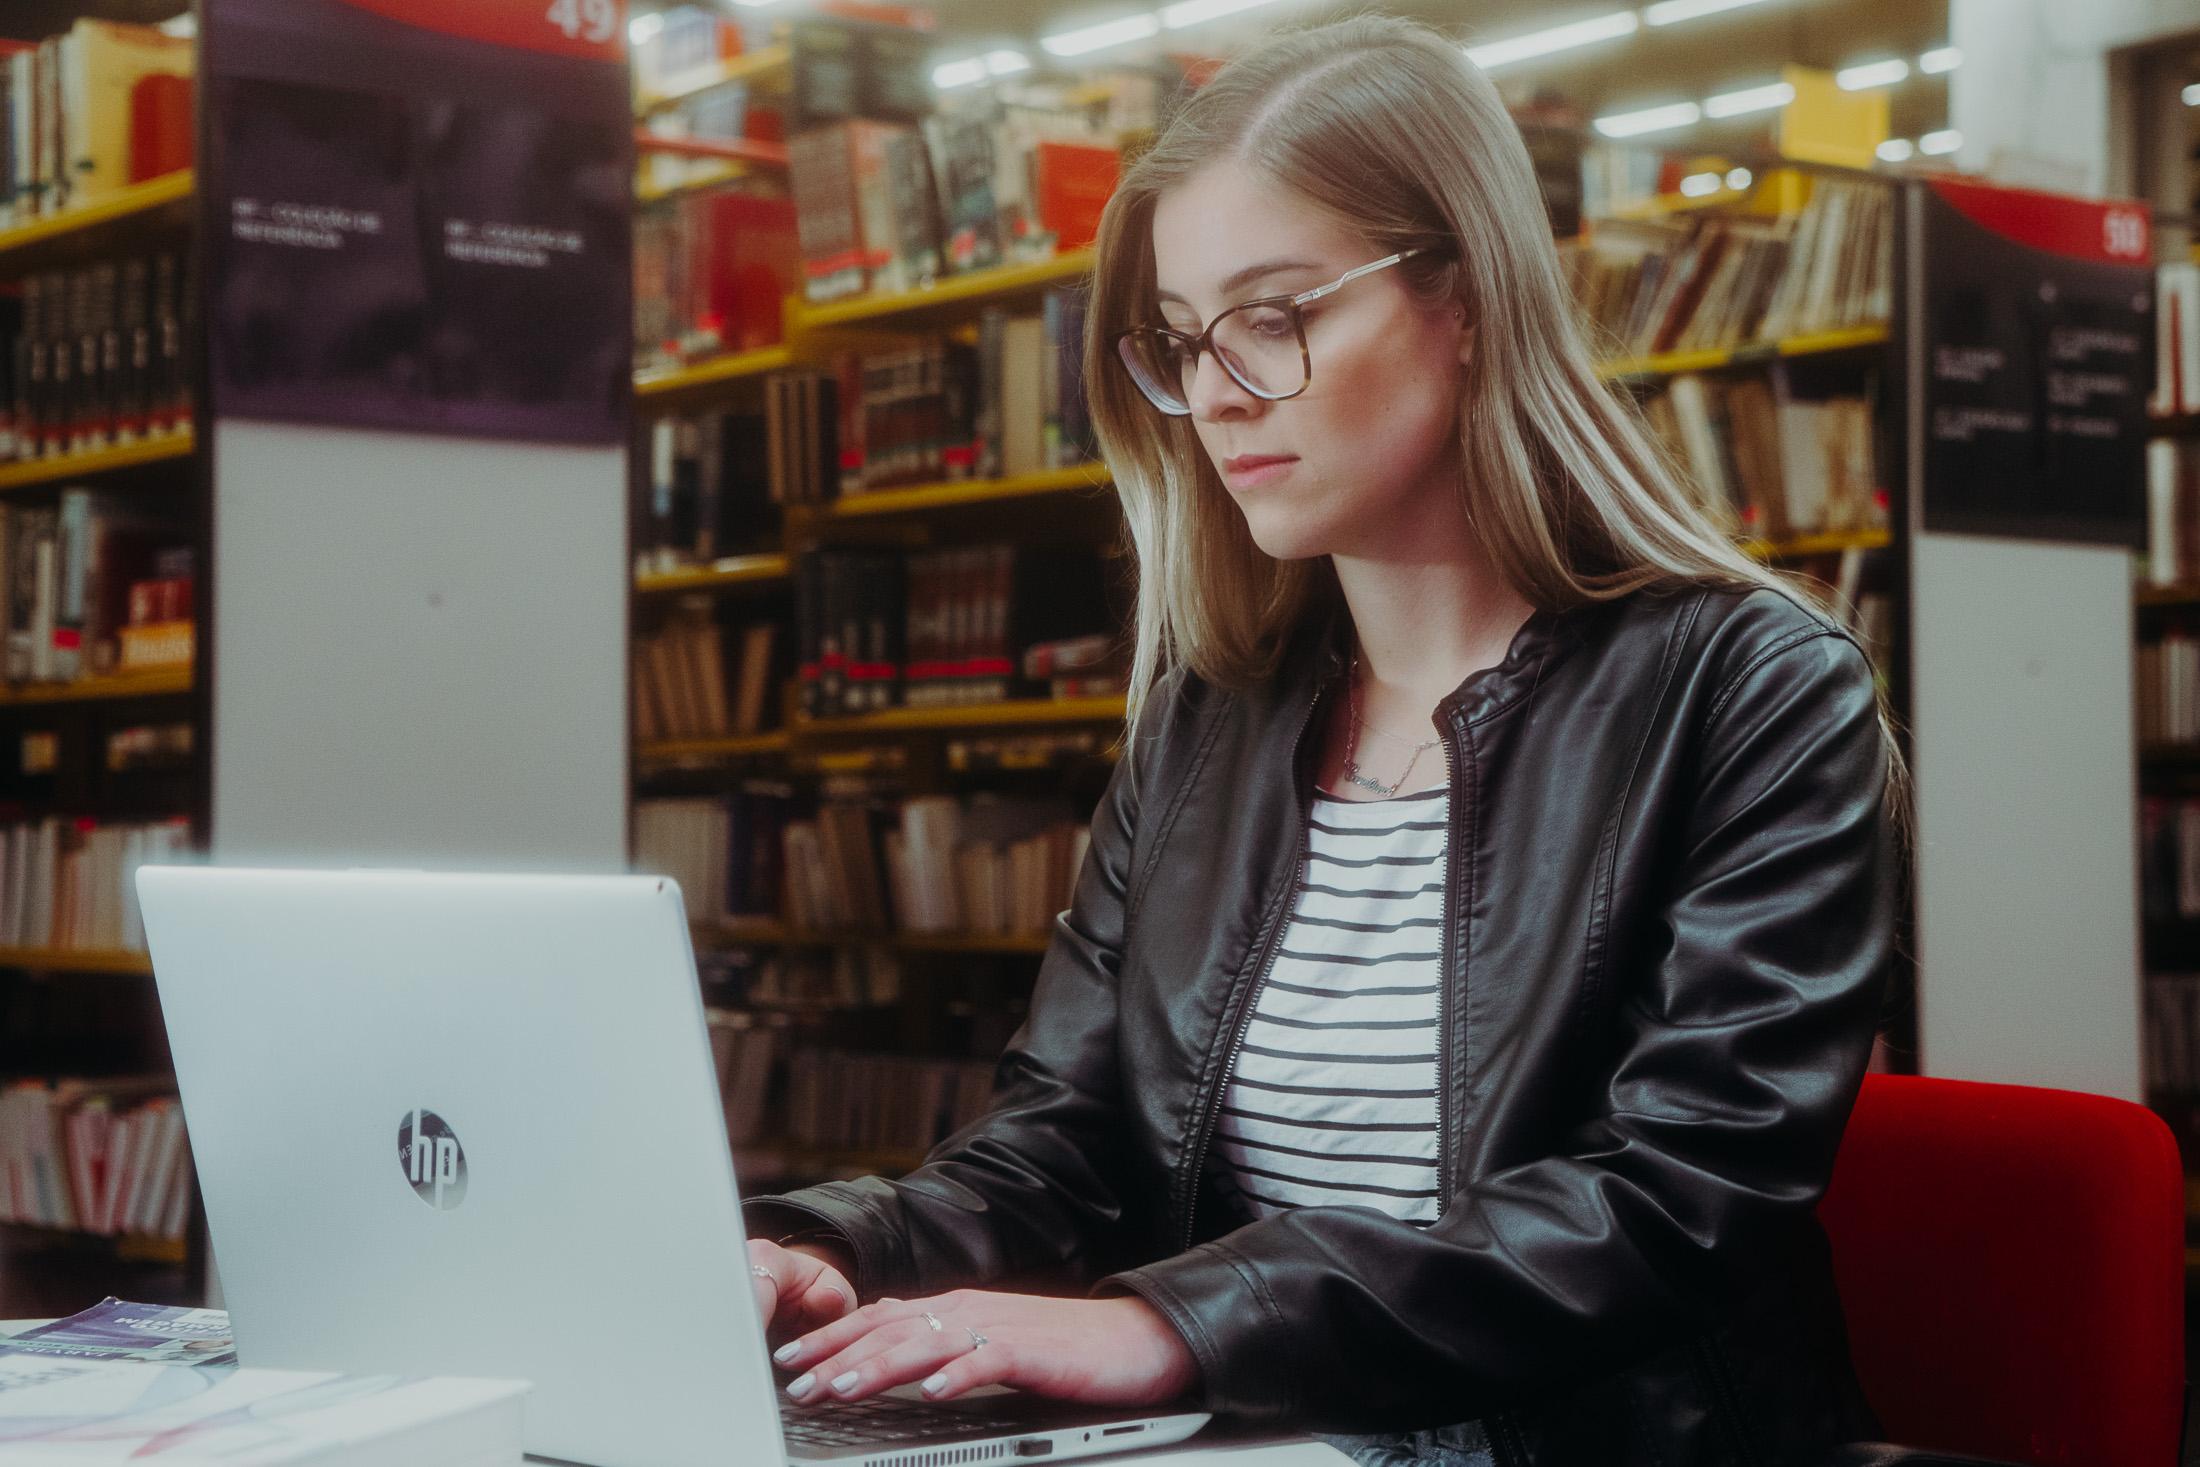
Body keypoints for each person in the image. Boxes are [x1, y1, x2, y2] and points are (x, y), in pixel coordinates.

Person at [740, 15, 1906, 1466]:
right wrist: (824, 1243)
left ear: (1466, 297)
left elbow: (1677, 1198)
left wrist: (1179, 1325)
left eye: (1275, 313)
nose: (1217, 392)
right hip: (1273, 1440)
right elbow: (1067, 1144)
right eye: (1181, 340)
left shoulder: (1752, 691)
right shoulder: (1211, 721)